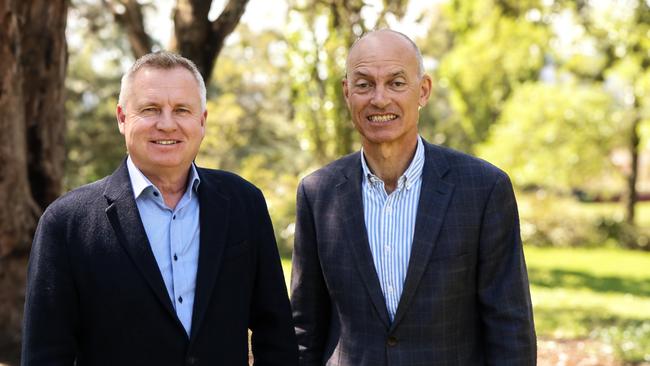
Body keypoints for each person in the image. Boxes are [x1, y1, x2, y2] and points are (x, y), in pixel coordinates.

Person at [22, 51, 298, 366]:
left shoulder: (244, 203)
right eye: (150, 109)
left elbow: (277, 337)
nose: (167, 124)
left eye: (181, 110)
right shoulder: (66, 223)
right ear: (122, 118)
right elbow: (45, 355)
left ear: (202, 121)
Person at [290, 29, 536, 365]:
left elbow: (510, 329)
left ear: (423, 91)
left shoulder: (483, 189)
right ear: (347, 92)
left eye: (396, 83)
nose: (379, 99)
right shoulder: (318, 193)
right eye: (364, 84)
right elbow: (306, 327)